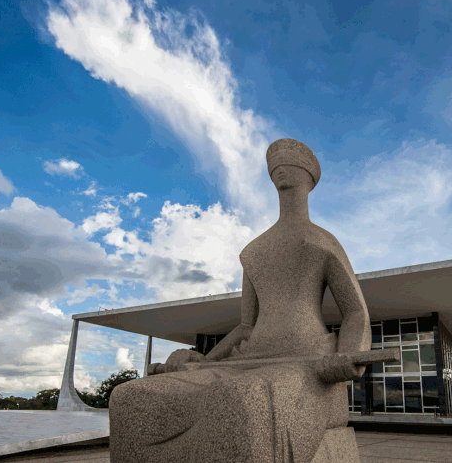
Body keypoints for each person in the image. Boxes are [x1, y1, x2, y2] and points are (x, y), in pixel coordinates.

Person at [109, 138, 371, 463]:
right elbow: (247, 326)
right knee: (131, 397)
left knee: (237, 399)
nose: (282, 170)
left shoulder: (322, 241)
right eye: (276, 166)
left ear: (309, 177)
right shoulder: (254, 251)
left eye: (291, 164)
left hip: (307, 363)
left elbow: (356, 312)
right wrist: (205, 360)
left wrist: (347, 358)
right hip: (248, 360)